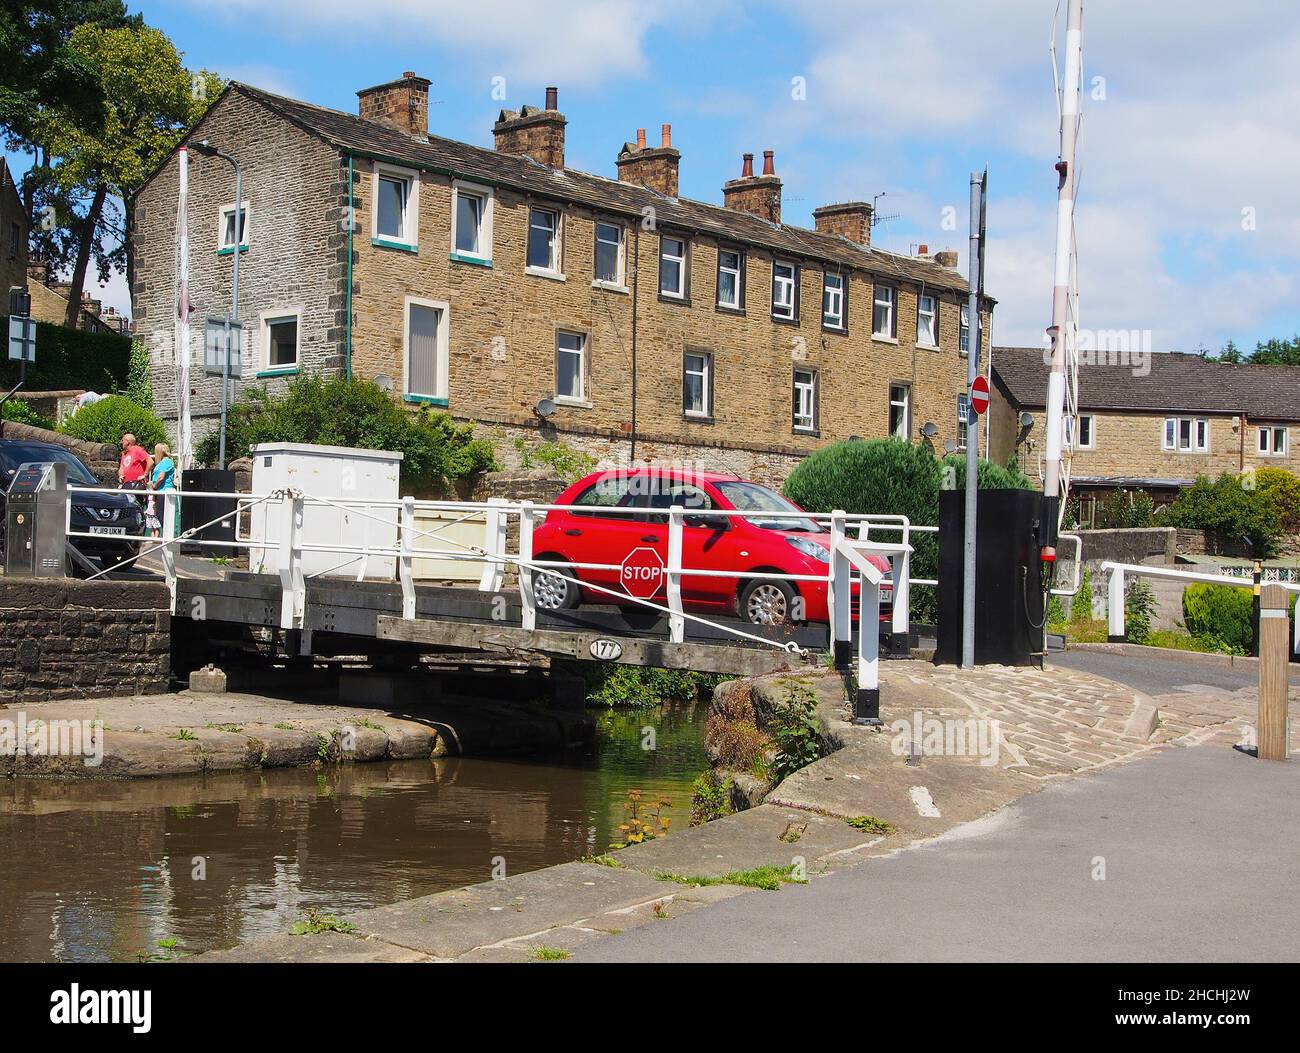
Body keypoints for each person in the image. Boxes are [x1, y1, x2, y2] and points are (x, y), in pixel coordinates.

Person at [146, 443, 177, 538]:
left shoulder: (166, 462)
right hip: (160, 492)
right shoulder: (163, 462)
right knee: (160, 515)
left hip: (163, 491)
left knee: (163, 516)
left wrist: (154, 486)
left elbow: (161, 477)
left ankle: (167, 538)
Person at [118, 433, 150, 510]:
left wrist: (145, 474)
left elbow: (150, 461)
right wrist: (120, 475)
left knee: (137, 508)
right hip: (126, 485)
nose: (121, 442)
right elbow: (122, 466)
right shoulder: (124, 453)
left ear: (127, 442)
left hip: (136, 486)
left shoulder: (138, 450)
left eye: (123, 440)